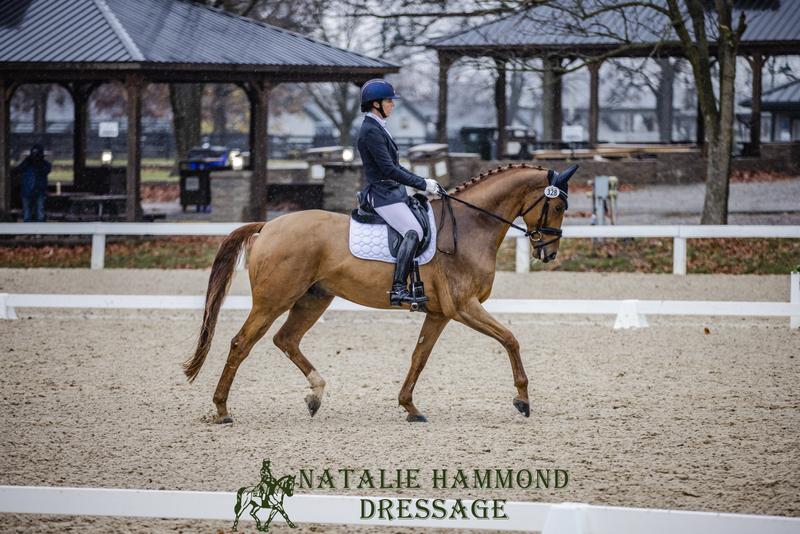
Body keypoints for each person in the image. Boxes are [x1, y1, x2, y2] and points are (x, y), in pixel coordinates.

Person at [356, 79, 441, 307]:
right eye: (388, 101)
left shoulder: (378, 127)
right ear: (375, 104)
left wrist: (420, 183)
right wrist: (422, 183)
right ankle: (399, 288)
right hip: (382, 195)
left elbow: (396, 167)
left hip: (393, 192)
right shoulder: (370, 131)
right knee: (412, 231)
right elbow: (389, 169)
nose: (392, 105)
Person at [14, 144, 51, 222]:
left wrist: (37, 162)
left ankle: (39, 231)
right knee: (27, 213)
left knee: (39, 212)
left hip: (39, 191)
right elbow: (17, 170)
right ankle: (28, 230)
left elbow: (46, 170)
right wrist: (28, 161)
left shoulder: (44, 164)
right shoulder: (27, 163)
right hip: (27, 191)